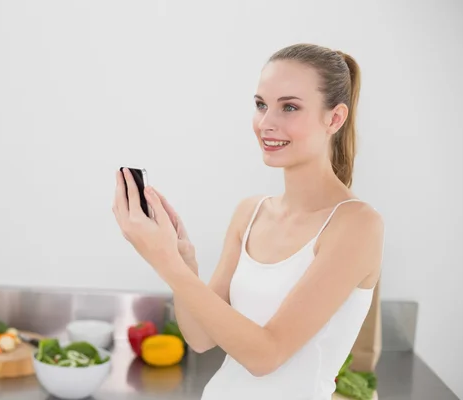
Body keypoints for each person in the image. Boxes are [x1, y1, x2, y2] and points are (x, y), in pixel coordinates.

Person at [112, 43, 384, 399]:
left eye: (289, 107)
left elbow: (266, 355)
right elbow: (200, 337)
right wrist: (183, 261)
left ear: (334, 118)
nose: (266, 123)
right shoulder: (251, 212)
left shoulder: (357, 224)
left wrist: (165, 263)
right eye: (261, 105)